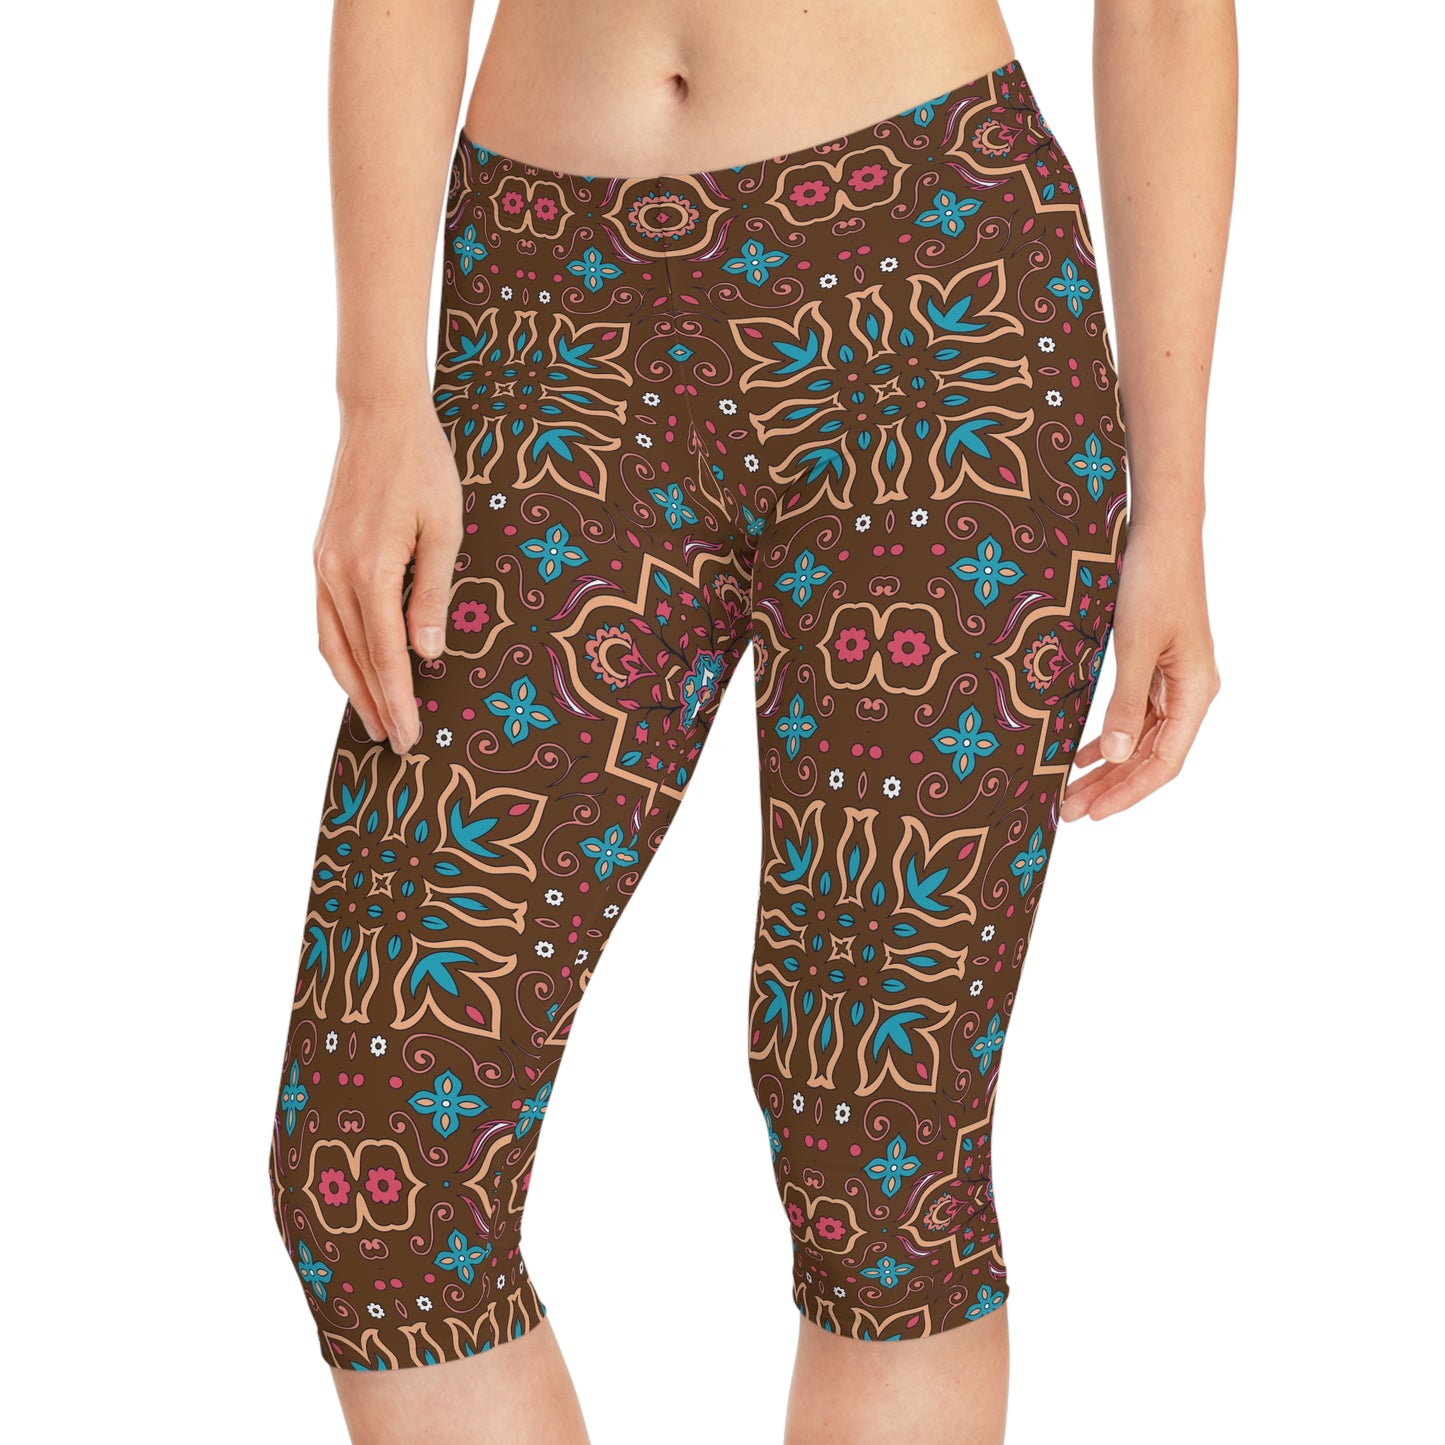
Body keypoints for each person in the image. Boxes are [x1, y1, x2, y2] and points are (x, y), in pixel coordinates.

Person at [266, 1, 1234, 1440]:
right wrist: (373, 398)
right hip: (548, 314)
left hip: (937, 310)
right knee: (375, 1164)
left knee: (875, 1153)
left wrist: (1176, 513)